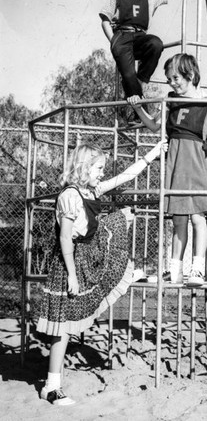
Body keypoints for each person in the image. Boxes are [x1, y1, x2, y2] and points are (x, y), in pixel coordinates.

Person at [37, 139, 166, 406]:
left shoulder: (91, 192)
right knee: (61, 328)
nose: (102, 173)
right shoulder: (70, 195)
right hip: (68, 263)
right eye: (98, 168)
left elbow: (124, 176)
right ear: (85, 168)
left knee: (115, 219)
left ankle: (127, 273)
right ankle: (51, 386)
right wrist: (71, 275)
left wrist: (153, 153)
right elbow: (64, 239)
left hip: (86, 257)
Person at [130, 53, 207, 286]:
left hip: (197, 162)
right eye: (169, 79)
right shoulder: (170, 101)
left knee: (198, 217)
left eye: (176, 78)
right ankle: (174, 269)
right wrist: (139, 108)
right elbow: (155, 125)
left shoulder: (206, 103)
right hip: (177, 162)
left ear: (191, 75)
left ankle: (197, 270)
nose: (172, 83)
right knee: (178, 219)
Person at [99, 0, 200, 123]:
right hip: (122, 38)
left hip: (140, 38)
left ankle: (140, 81)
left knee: (156, 43)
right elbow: (105, 19)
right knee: (128, 74)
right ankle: (139, 113)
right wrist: (113, 41)